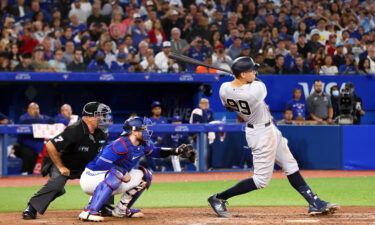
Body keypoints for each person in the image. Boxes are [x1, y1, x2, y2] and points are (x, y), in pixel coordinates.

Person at [207, 56, 338, 218]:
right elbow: (255, 84)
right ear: (242, 74)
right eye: (251, 70)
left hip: (269, 130)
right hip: (260, 134)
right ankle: (219, 198)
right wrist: (246, 82)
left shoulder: (224, 89)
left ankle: (314, 202)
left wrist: (239, 82)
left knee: (290, 165)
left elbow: (228, 106)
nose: (255, 71)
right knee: (261, 181)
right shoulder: (257, 89)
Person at [78, 117, 195, 222]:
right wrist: (123, 172)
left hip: (110, 177)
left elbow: (156, 151)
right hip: (91, 178)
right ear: (133, 131)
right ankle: (89, 211)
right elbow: (101, 163)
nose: (146, 131)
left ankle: (121, 210)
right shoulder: (120, 144)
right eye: (143, 129)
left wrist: (175, 151)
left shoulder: (143, 143)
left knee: (145, 175)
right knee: (117, 173)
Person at [22, 102, 112, 220]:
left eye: (104, 116)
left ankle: (102, 205)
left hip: (85, 165)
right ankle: (32, 207)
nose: (103, 119)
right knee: (57, 185)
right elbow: (50, 145)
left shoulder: (103, 132)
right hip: (63, 163)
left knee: (107, 175)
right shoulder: (74, 130)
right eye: (100, 115)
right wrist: (60, 167)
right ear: (88, 117)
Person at [16, 103, 53, 175]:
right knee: (28, 153)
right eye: (33, 109)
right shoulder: (24, 117)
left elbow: (52, 121)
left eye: (37, 108)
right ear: (28, 110)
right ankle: (26, 173)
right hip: (25, 145)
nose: (36, 110)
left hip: (40, 145)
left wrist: (41, 118)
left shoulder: (43, 117)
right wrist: (40, 119)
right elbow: (26, 121)